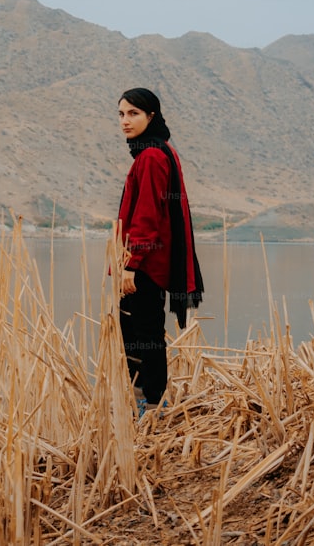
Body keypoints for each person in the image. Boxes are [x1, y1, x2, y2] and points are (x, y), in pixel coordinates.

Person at [116, 87, 204, 410]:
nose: (125, 121)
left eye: (134, 114)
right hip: (149, 264)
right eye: (122, 114)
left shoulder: (152, 156)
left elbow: (148, 215)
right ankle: (148, 404)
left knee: (144, 335)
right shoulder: (156, 150)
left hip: (145, 267)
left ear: (151, 116)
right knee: (143, 333)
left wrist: (131, 264)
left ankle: (150, 407)